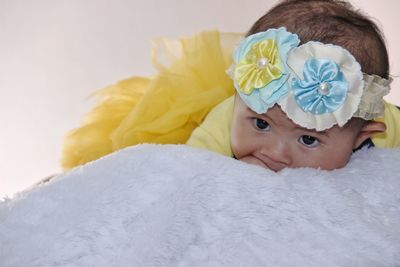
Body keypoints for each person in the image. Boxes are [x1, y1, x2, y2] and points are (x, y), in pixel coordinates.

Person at [61, 0, 399, 171]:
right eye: (261, 124)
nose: (274, 153)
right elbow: (186, 176)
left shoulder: (387, 128)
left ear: (363, 136)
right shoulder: (223, 124)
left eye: (308, 138)